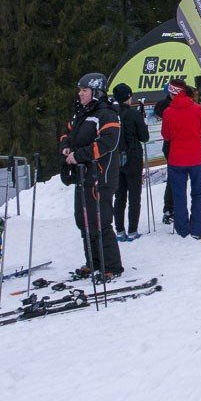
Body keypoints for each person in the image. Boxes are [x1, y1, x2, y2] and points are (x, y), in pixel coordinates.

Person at [62, 73, 124, 281]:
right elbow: (67, 132)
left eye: (84, 90)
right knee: (83, 220)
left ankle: (111, 265)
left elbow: (108, 143)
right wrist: (66, 147)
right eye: (79, 90)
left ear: (96, 92)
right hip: (82, 176)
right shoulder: (81, 113)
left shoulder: (106, 114)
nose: (80, 94)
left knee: (101, 221)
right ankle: (93, 262)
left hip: (100, 176)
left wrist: (78, 155)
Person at [161, 78, 201, 238]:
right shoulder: (197, 109)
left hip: (177, 158)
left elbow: (166, 135)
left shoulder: (168, 111)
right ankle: (197, 229)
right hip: (196, 157)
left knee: (179, 193)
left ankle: (182, 229)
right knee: (197, 193)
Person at [110, 83, 149, 241]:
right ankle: (132, 230)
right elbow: (144, 137)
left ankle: (119, 230)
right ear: (128, 97)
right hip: (133, 157)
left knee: (119, 196)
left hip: (117, 158)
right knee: (134, 195)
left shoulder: (112, 114)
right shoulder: (133, 114)